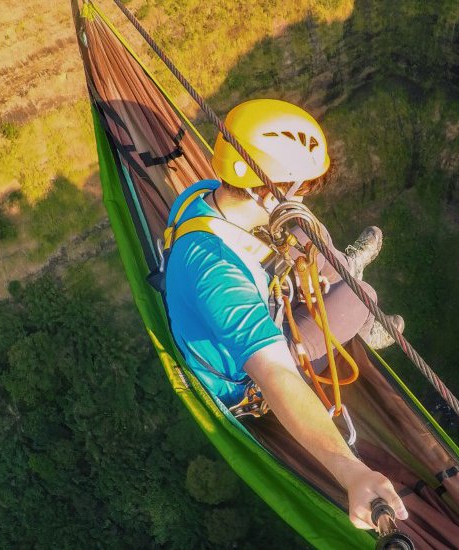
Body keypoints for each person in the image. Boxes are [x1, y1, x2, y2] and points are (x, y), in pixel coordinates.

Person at [162, 99, 408, 530]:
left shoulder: (202, 193)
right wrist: (351, 472)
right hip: (246, 383)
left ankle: (342, 268)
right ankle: (362, 315)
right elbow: (276, 376)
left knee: (305, 230)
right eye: (300, 187)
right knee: (361, 297)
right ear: (264, 190)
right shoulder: (218, 275)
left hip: (251, 285)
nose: (305, 193)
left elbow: (287, 225)